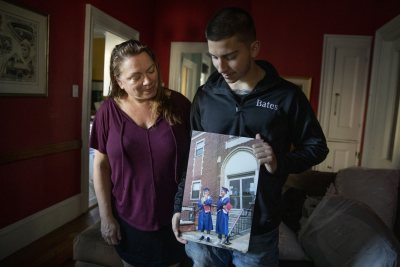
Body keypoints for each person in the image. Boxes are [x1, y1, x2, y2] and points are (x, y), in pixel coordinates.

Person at [172, 7, 328, 266]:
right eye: (214, 56)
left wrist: (279, 161)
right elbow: (193, 156)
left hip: (257, 230)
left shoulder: (287, 97)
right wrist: (180, 206)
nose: (221, 67)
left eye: (230, 56)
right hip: (204, 223)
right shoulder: (205, 96)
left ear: (254, 48)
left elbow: (317, 147)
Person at [90, 39, 191, 267]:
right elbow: (100, 166)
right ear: (119, 81)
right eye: (136, 76)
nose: (148, 80)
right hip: (129, 220)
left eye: (151, 70)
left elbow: (198, 158)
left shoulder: (180, 105)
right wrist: (106, 217)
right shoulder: (108, 112)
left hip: (174, 219)